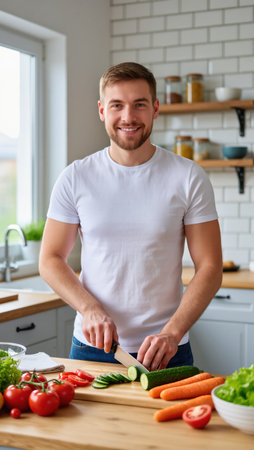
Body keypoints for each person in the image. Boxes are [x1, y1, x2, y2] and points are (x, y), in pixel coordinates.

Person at [39, 62, 222, 371]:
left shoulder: (188, 176)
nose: (128, 117)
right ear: (101, 110)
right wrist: (90, 309)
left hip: (167, 349)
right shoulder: (75, 177)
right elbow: (50, 258)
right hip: (93, 348)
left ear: (155, 108)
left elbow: (211, 267)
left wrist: (172, 333)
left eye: (139, 104)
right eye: (117, 105)